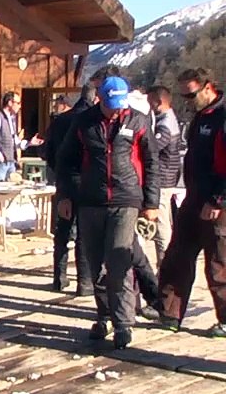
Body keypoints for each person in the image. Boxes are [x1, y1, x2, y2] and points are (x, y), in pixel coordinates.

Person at [56, 75, 157, 349]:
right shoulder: (83, 122)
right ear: (100, 98)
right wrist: (65, 195)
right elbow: (66, 162)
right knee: (95, 261)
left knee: (119, 257)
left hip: (126, 199)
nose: (116, 110)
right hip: (91, 200)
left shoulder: (137, 121)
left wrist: (151, 203)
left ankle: (124, 322)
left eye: (120, 104)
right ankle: (104, 316)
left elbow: (151, 162)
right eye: (111, 104)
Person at [157, 67, 226, 337]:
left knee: (218, 261)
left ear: (208, 87)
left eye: (191, 95)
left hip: (216, 201)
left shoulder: (222, 116)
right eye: (183, 95)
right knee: (177, 255)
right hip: (193, 196)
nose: (188, 100)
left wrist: (218, 199)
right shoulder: (200, 117)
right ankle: (169, 312)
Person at [43, 84, 96, 293]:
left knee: (62, 230)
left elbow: (47, 152)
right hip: (87, 182)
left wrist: (59, 173)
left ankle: (59, 276)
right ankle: (84, 281)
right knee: (83, 232)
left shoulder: (61, 120)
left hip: (64, 180)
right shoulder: (91, 121)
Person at [148, 85, 184, 265]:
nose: (149, 105)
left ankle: (165, 265)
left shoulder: (165, 124)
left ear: (158, 101)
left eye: (150, 101)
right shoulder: (169, 119)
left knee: (161, 225)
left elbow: (154, 147)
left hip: (162, 178)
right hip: (168, 175)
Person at [0, 92, 42, 182]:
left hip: (11, 162)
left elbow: (15, 141)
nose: (20, 106)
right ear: (10, 103)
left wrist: (29, 143)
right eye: (18, 103)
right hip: (0, 163)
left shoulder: (11, 119)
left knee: (12, 190)